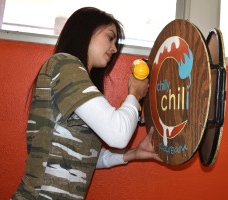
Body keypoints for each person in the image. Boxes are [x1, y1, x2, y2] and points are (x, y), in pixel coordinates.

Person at [11, 7, 161, 200]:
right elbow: (118, 135)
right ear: (86, 30)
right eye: (110, 37)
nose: (114, 49)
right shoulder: (64, 64)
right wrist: (134, 94)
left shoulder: (75, 78)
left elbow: (82, 155)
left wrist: (132, 154)